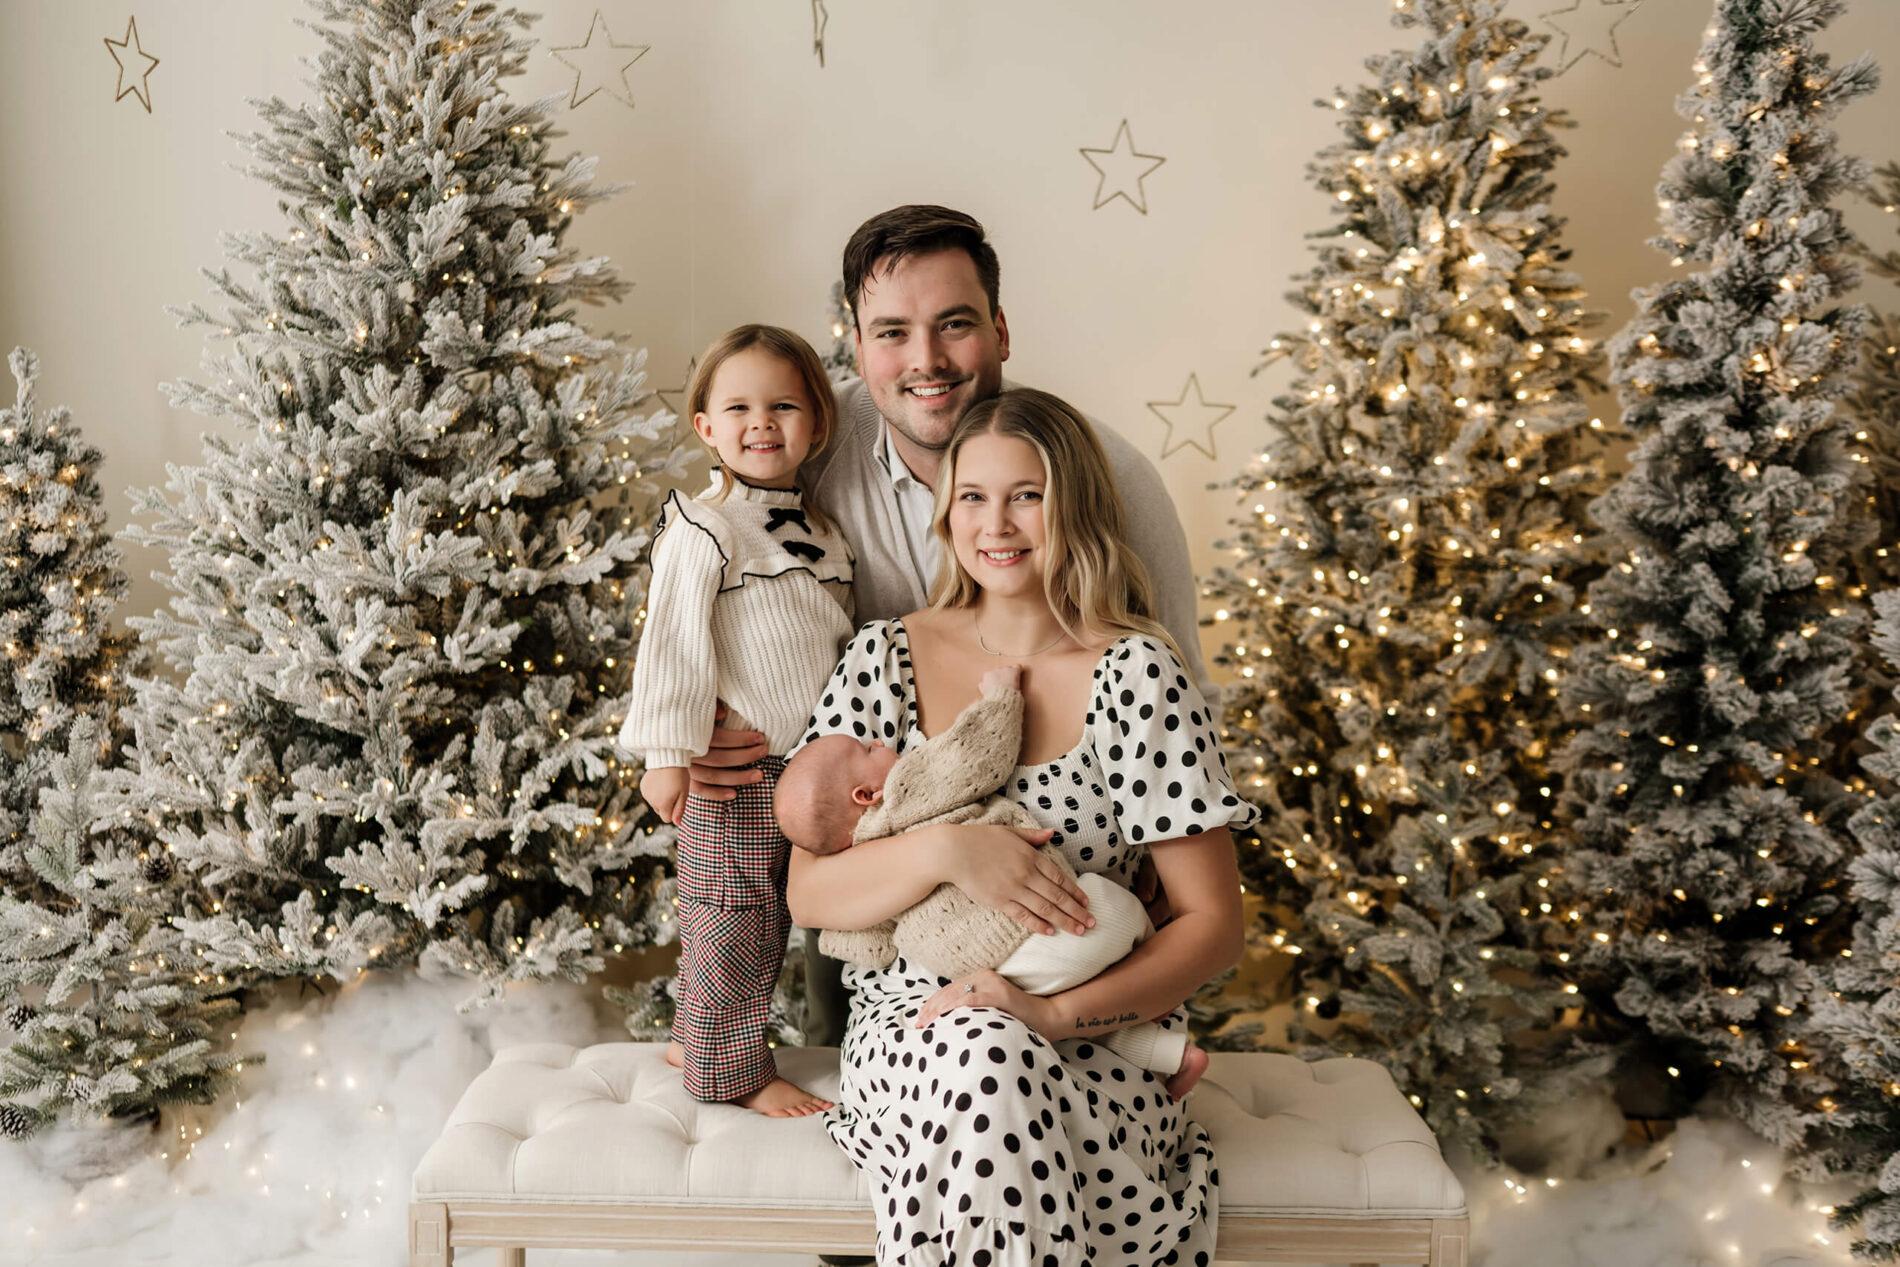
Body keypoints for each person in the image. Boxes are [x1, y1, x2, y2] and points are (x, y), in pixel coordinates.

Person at [680, 205, 1214, 1052]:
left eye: (955, 325)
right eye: (892, 331)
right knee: (868, 1030)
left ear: (1000, 331)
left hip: (1072, 850)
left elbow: (1175, 692)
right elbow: (704, 577)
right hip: (869, 844)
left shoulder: (1109, 479)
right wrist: (684, 730)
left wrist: (1156, 881)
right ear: (856, 345)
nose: (925, 361)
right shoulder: (804, 451)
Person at [785, 388, 1256, 1264]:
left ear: (1070, 505)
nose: (995, 522)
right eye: (972, 496)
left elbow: (1213, 924)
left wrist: (1048, 1010)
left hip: (1096, 1036)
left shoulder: (1138, 673)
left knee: (998, 1053)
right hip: (915, 1031)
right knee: (981, 1053)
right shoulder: (884, 656)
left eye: (1026, 495)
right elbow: (809, 889)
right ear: (945, 510)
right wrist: (944, 848)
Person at [775, 664, 1211, 1099]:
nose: (877, 741)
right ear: (866, 795)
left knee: (1051, 1014)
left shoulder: (866, 872)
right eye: (867, 750)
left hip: (994, 976)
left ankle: (1174, 1056)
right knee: (1118, 908)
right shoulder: (908, 789)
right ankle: (1150, 980)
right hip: (1069, 924)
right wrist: (1001, 697)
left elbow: (870, 943)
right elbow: (976, 757)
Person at [615, 324, 853, 1118]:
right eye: (740, 406)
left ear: (816, 423)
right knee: (736, 916)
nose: (763, 422)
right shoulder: (703, 530)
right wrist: (667, 752)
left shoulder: (824, 535)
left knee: (777, 914)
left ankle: (697, 1033)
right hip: (740, 773)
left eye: (784, 405)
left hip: (808, 772)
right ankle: (729, 1073)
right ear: (706, 426)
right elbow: (672, 643)